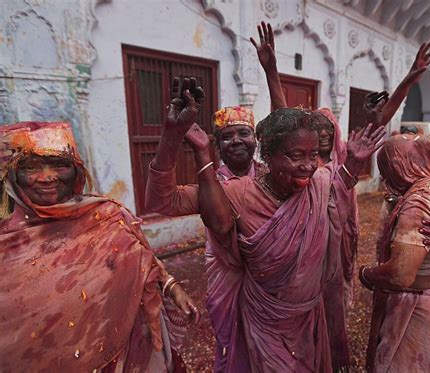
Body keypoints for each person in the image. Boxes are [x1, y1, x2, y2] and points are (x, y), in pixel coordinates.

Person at [146, 76, 385, 372]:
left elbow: (339, 185)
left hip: (309, 317)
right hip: (265, 321)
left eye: (313, 155)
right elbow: (161, 201)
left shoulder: (318, 183)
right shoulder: (237, 192)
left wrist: (356, 161)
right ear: (269, 157)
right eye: (296, 156)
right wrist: (172, 134)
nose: (308, 165)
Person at [251, 21, 430, 371]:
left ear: (333, 138)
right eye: (310, 143)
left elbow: (379, 121)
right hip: (299, 250)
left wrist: (411, 78)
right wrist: (271, 71)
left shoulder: (343, 160)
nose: (316, 151)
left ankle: (332, 360)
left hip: (333, 245)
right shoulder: (300, 169)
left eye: (324, 138)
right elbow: (281, 117)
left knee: (332, 303)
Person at [0, 121, 199, 372]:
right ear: (13, 176)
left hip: (125, 354)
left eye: (59, 165)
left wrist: (171, 287)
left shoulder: (107, 215)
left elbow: (144, 258)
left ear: (76, 171)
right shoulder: (6, 243)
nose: (46, 177)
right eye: (30, 167)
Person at [359, 133, 430, 372]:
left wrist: (366, 275)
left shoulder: (418, 203)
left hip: (424, 324)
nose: (384, 178)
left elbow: (400, 275)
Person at [211, 106, 266, 180]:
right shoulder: (213, 184)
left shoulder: (270, 178)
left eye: (244, 133)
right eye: (227, 137)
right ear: (218, 145)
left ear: (255, 139)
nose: (236, 141)